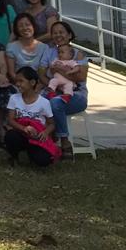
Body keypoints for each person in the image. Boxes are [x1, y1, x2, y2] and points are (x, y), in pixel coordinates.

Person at [43, 21, 89, 160]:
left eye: (61, 32)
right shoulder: (49, 52)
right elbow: (41, 73)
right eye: (55, 33)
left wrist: (59, 69)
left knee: (55, 103)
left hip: (76, 94)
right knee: (40, 102)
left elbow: (80, 77)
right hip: (53, 91)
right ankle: (41, 144)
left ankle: (64, 141)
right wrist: (53, 85)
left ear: (69, 35)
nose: (58, 35)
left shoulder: (78, 54)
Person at [4, 66, 60, 167]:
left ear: (32, 82)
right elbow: (10, 120)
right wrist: (24, 128)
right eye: (16, 81)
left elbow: (52, 124)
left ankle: (32, 154)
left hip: (37, 137)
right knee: (10, 136)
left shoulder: (44, 102)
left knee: (44, 161)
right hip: (21, 134)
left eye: (21, 81)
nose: (17, 84)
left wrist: (45, 132)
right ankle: (14, 156)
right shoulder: (14, 98)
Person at [5, 13, 51, 83]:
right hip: (18, 84)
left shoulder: (44, 48)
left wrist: (36, 85)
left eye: (27, 24)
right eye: (20, 26)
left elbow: (44, 72)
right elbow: (11, 73)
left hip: (40, 84)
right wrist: (24, 84)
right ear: (16, 29)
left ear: (33, 26)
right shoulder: (11, 47)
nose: (25, 28)